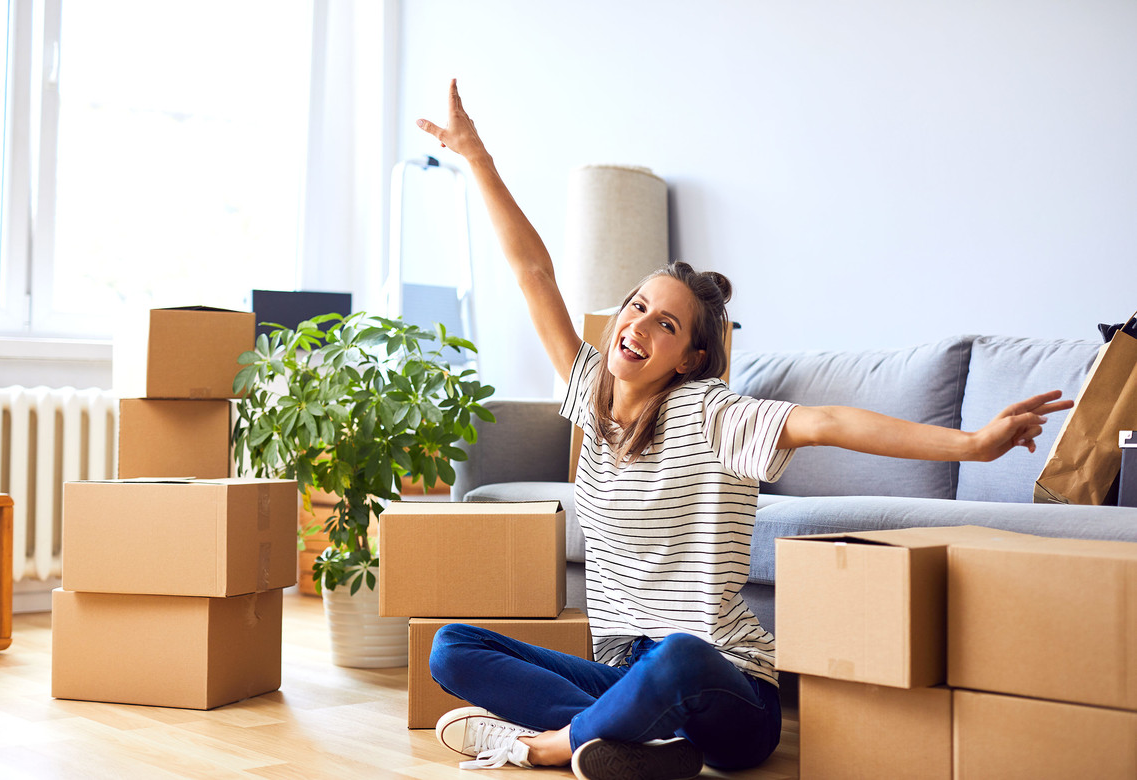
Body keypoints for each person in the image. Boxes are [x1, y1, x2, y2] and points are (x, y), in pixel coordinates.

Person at [415, 79, 1072, 780]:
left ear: (691, 357)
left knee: (677, 656)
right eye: (636, 306)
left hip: (728, 690)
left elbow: (827, 422)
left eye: (665, 323)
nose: (637, 324)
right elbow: (532, 272)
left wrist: (971, 445)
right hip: (629, 671)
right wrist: (475, 155)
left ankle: (544, 744)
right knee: (451, 647)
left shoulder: (712, 412)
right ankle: (634, 742)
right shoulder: (592, 393)